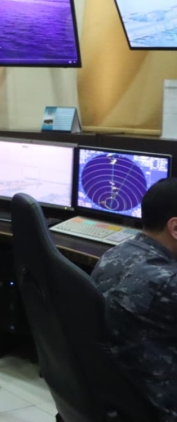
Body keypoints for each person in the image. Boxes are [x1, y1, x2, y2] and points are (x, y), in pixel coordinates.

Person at [91, 177, 177, 421]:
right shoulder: (167, 282)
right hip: (158, 405)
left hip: (117, 396)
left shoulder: (115, 253)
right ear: (175, 228)